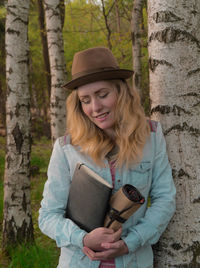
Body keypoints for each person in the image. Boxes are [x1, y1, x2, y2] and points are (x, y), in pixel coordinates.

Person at [38, 47, 176, 268]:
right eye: (85, 100)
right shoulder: (66, 148)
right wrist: (82, 238)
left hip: (134, 261)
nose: (95, 108)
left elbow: (165, 199)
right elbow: (48, 216)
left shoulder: (151, 136)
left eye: (103, 95)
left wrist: (130, 242)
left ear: (121, 92)